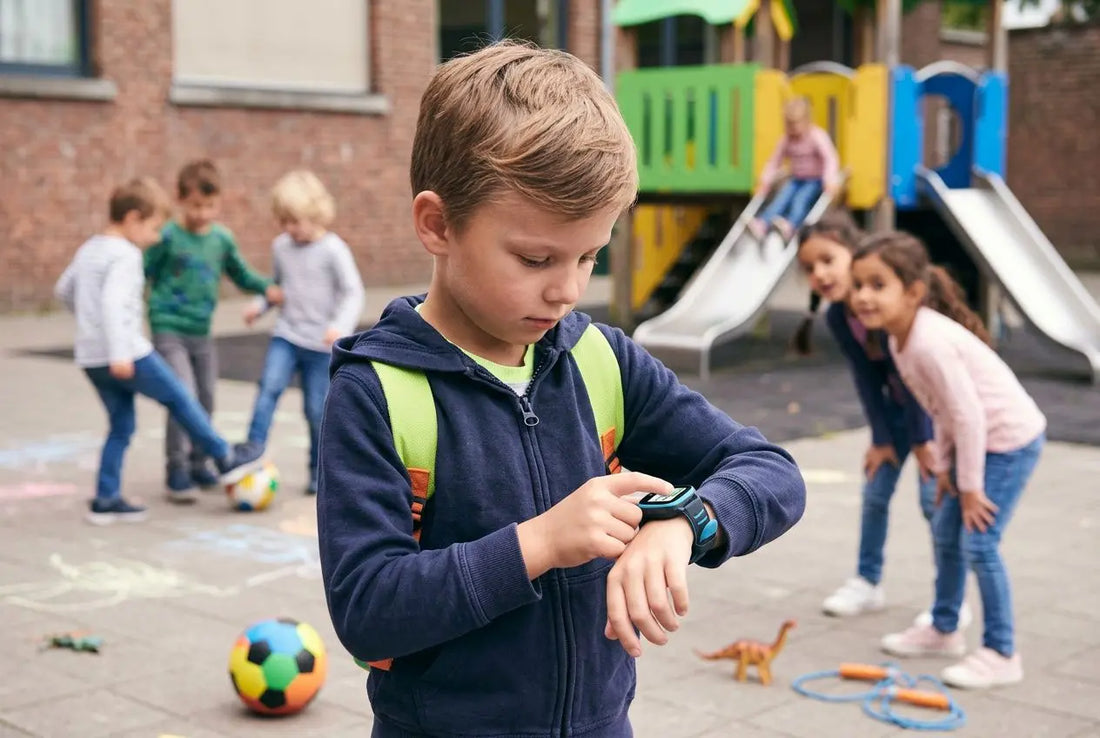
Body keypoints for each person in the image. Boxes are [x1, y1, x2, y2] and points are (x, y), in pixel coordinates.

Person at [316, 42, 807, 738]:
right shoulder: (378, 392)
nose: (569, 289)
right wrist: (538, 543)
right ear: (437, 224)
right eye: (536, 258)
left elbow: (771, 473)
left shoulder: (602, 360)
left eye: (590, 255)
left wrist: (685, 521)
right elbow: (367, 610)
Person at [851, 231, 1046, 689]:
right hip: (978, 442)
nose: (862, 296)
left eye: (878, 285)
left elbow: (969, 415)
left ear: (914, 291)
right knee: (944, 529)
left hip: (1009, 441)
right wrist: (943, 468)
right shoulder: (901, 340)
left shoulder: (927, 342)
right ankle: (943, 629)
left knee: (979, 542)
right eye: (858, 285)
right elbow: (941, 409)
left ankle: (1002, 652)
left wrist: (970, 485)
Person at [794, 211, 974, 629]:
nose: (819, 273)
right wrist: (880, 438)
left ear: (852, 252)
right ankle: (867, 581)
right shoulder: (841, 316)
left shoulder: (889, 305)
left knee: (935, 504)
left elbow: (915, 381)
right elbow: (868, 377)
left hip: (933, 416)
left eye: (827, 260)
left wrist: (922, 440)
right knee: (875, 494)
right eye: (809, 268)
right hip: (896, 414)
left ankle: (952, 600)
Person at [54, 178, 264, 524]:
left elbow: (63, 289)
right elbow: (110, 302)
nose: (155, 237)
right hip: (127, 355)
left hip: (91, 357)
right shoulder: (125, 255)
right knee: (180, 397)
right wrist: (119, 351)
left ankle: (105, 500)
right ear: (133, 218)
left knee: (121, 426)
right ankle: (224, 457)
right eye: (153, 228)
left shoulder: (89, 248)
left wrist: (88, 327)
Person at [144, 159, 281, 501]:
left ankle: (197, 461)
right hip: (167, 327)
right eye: (195, 206)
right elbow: (140, 272)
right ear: (180, 199)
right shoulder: (168, 236)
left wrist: (267, 288)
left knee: (206, 396)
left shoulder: (221, 239)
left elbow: (240, 273)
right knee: (182, 393)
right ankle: (176, 469)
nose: (202, 213)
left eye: (209, 206)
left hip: (201, 332)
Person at [240, 170, 364, 495]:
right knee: (268, 389)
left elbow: (352, 292)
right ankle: (250, 454)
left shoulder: (334, 249)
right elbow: (275, 286)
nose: (289, 230)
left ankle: (317, 472)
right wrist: (260, 304)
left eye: (295, 222)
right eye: (284, 222)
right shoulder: (281, 246)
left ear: (316, 214)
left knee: (315, 409)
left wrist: (339, 327)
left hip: (320, 345)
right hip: (287, 335)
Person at [749, 97, 840, 242]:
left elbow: (830, 158)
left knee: (800, 200)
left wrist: (830, 180)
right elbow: (774, 162)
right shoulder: (786, 139)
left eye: (797, 123)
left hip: (814, 180)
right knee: (781, 198)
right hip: (797, 178)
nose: (794, 128)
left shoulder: (816, 136)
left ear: (807, 120)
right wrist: (764, 181)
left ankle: (791, 225)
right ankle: (763, 223)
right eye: (790, 124)